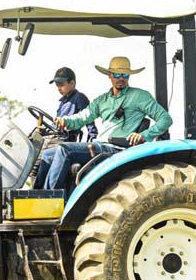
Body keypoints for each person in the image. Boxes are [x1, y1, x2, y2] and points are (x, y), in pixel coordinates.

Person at [33, 56, 173, 192]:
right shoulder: (102, 100)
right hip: (100, 145)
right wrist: (66, 121)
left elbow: (165, 119)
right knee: (47, 155)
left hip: (116, 148)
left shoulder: (139, 96)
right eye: (117, 74)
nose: (121, 78)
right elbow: (83, 116)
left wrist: (143, 135)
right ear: (110, 75)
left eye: (125, 75)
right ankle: (35, 195)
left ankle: (50, 196)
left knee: (64, 149)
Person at [49, 67, 97, 142]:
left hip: (65, 138)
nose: (59, 88)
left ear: (72, 83)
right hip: (54, 134)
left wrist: (93, 137)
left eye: (61, 85)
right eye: (57, 85)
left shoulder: (79, 98)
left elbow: (88, 118)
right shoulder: (63, 101)